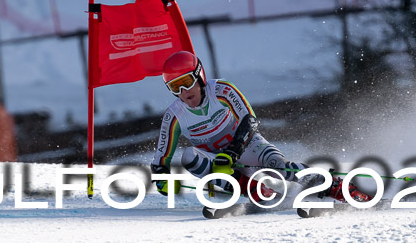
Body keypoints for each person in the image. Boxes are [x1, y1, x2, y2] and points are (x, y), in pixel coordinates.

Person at [150, 50, 373, 204]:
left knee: (281, 167)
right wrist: (161, 179)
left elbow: (250, 121)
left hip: (246, 147)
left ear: (199, 76)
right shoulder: (174, 115)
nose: (183, 92)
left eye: (187, 82)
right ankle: (250, 188)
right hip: (220, 165)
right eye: (175, 87)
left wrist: (232, 151)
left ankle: (335, 186)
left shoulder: (222, 90)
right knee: (189, 156)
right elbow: (161, 159)